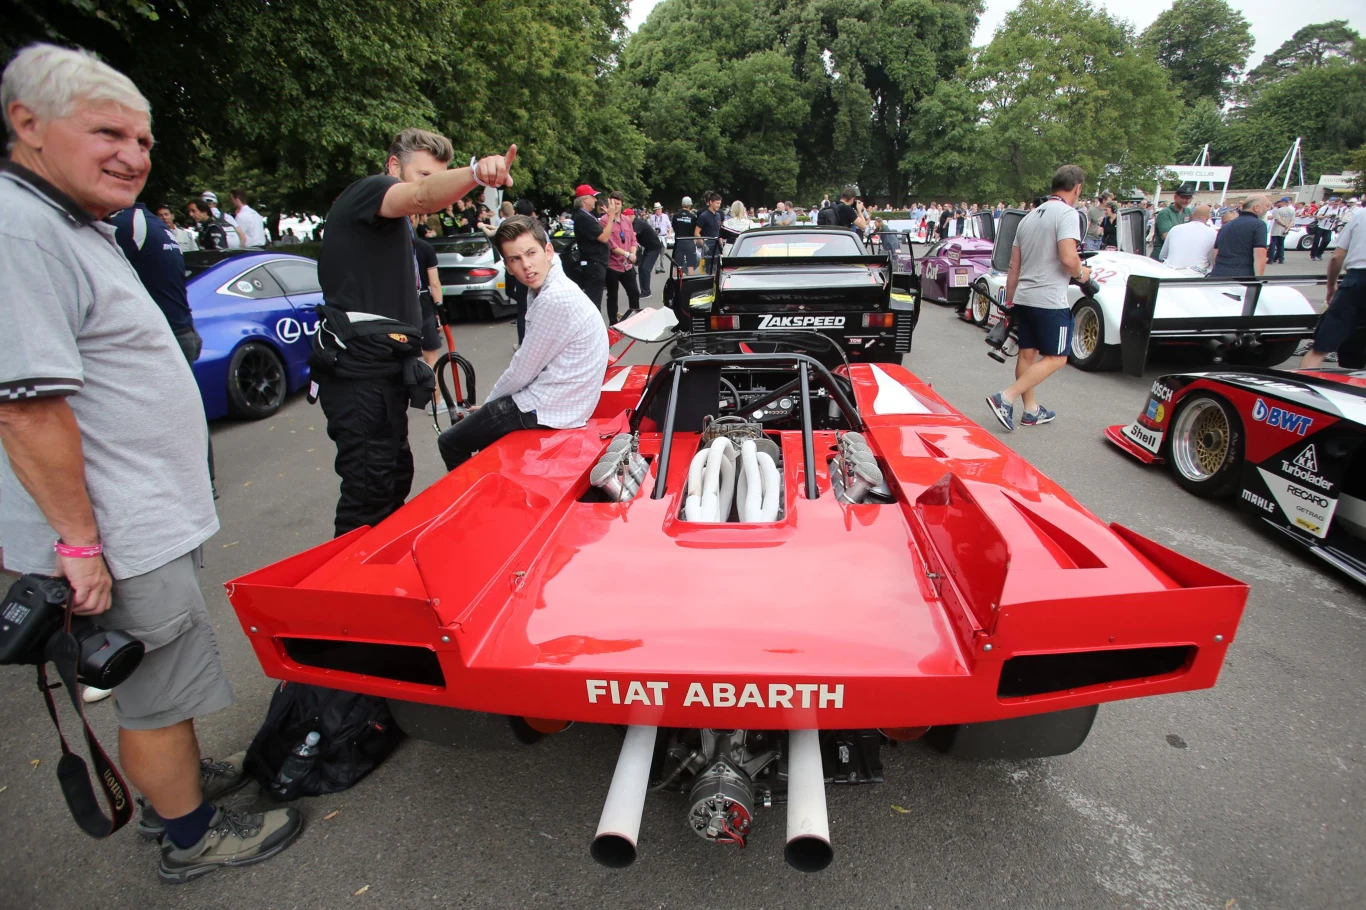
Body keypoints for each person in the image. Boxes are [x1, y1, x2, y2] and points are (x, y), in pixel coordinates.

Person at [0, 42, 300, 883]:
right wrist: (78, 547)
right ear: (27, 124)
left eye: (143, 141)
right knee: (159, 683)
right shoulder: (22, 231)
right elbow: (28, 409)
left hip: (130, 520)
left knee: (151, 687)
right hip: (113, 531)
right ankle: (190, 835)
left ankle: (172, 789)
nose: (132, 156)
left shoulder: (64, 222)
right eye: (107, 133)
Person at [315, 128, 516, 537]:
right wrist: (477, 172)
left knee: (392, 478)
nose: (429, 187)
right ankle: (352, 587)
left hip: (385, 368)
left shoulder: (398, 228)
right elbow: (421, 196)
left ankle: (378, 574)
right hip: (359, 371)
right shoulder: (371, 191)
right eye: (422, 175)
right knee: (369, 489)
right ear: (394, 167)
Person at [437, 216, 608, 471]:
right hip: (562, 398)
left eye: (531, 253)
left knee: (450, 441)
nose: (526, 265)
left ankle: (476, 503)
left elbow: (523, 369)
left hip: (552, 407)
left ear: (547, 251)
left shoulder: (555, 298)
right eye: (515, 259)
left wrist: (489, 404)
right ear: (507, 264)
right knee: (483, 436)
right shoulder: (551, 285)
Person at [985, 164, 1091, 432]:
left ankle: (1031, 410)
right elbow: (1068, 258)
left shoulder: (1028, 218)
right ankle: (1006, 398)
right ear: (1077, 187)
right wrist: (1082, 274)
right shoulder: (1068, 214)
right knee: (1058, 357)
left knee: (1027, 353)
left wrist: (1009, 303)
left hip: (1023, 296)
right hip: (1049, 299)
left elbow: (1013, 266)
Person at [1301, 199, 1366, 368]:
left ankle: (1304, 387)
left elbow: (1337, 256)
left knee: (1320, 348)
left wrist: (1331, 287)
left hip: (1355, 280)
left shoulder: (1360, 215)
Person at [570, 183, 613, 311]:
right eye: (593, 197)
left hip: (596, 262)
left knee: (595, 298)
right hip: (594, 263)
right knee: (594, 301)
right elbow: (604, 237)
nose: (595, 200)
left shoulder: (588, 215)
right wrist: (610, 216)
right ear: (584, 200)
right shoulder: (583, 217)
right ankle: (593, 329)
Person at [1208, 195, 1269, 279]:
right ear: (1256, 208)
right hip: (1242, 276)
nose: (1267, 209)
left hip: (1218, 274)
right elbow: (1260, 254)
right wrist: (1258, 279)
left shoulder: (1225, 227)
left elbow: (1216, 253)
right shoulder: (1258, 225)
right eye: (1266, 205)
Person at [410, 217, 443, 369]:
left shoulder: (386, 249)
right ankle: (433, 393)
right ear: (415, 219)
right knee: (431, 361)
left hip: (397, 306)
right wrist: (439, 313)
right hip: (423, 304)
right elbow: (434, 284)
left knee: (406, 361)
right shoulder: (424, 247)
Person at [603, 194, 640, 322]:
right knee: (612, 296)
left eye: (618, 203)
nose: (615, 206)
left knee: (634, 293)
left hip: (627, 265)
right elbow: (610, 244)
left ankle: (635, 319)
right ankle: (613, 323)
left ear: (622, 204)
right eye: (612, 203)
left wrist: (632, 254)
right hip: (613, 265)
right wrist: (627, 254)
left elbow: (633, 240)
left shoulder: (627, 220)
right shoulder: (604, 220)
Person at [1160, 203, 1215, 269]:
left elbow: (1162, 256)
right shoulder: (1213, 233)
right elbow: (1213, 261)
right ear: (1208, 217)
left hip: (1170, 271)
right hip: (1196, 275)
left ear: (1192, 215)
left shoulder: (1175, 229)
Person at [1151, 184, 1193, 259]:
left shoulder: (1188, 212)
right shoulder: (1165, 213)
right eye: (1183, 197)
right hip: (1162, 254)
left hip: (1178, 253)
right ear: (1175, 197)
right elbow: (1166, 236)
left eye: (1189, 198)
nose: (1186, 201)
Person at [633, 206, 663, 299]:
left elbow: (633, 235)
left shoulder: (637, 223)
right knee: (642, 268)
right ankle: (644, 291)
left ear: (631, 216)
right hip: (648, 247)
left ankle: (646, 292)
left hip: (654, 247)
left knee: (645, 269)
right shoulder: (634, 222)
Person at [696, 190, 723, 273]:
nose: (718, 205)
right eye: (717, 203)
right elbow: (696, 232)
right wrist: (704, 244)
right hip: (708, 246)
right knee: (708, 269)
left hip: (717, 245)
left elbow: (719, 231)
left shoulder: (718, 215)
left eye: (719, 203)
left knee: (718, 269)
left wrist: (721, 245)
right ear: (711, 202)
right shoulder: (704, 216)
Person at [1312, 196, 1344, 261]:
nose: (1335, 206)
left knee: (1327, 240)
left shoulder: (1339, 210)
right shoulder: (1325, 208)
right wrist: (1326, 216)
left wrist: (1337, 218)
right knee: (1316, 241)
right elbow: (1318, 217)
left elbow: (1340, 218)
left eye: (1337, 204)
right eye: (1334, 204)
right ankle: (1313, 255)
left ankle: (1319, 254)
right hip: (1320, 226)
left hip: (1329, 227)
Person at [672, 195, 698, 274]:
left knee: (678, 265)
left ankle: (678, 283)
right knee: (691, 265)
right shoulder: (693, 217)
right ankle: (690, 283)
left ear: (682, 204)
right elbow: (694, 230)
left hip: (679, 241)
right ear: (690, 205)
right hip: (690, 241)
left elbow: (674, 227)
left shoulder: (675, 216)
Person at [1269, 196, 1295, 264]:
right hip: (1285, 230)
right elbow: (1292, 220)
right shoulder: (1292, 211)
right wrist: (1288, 226)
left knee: (1273, 244)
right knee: (1281, 244)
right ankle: (1281, 259)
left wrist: (1284, 224)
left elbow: (1277, 219)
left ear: (1283, 202)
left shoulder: (1278, 210)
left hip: (1277, 229)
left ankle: (1270, 259)